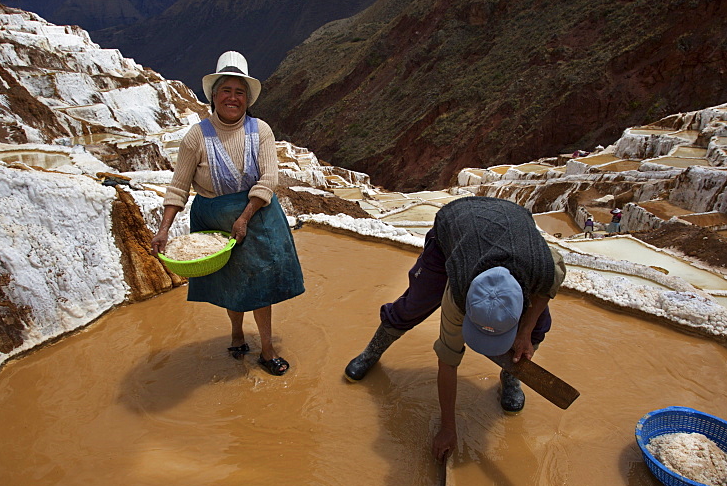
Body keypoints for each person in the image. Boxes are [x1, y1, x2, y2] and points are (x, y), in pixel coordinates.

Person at [344, 196, 566, 461]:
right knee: (414, 304)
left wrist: (526, 331)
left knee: (540, 324)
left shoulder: (543, 268)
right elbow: (448, 362)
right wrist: (448, 427)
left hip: (512, 223)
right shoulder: (458, 294)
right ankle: (372, 351)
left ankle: (511, 375)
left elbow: (547, 287)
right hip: (455, 227)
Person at [151, 51, 304, 376]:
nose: (232, 98)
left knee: (261, 284)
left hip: (257, 216)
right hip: (214, 223)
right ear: (214, 96)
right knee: (231, 284)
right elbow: (178, 187)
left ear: (247, 99)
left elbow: (269, 179)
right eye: (226, 90)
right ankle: (236, 333)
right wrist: (164, 228)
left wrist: (245, 216)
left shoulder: (260, 131)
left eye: (239, 92)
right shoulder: (196, 137)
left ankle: (267, 349)